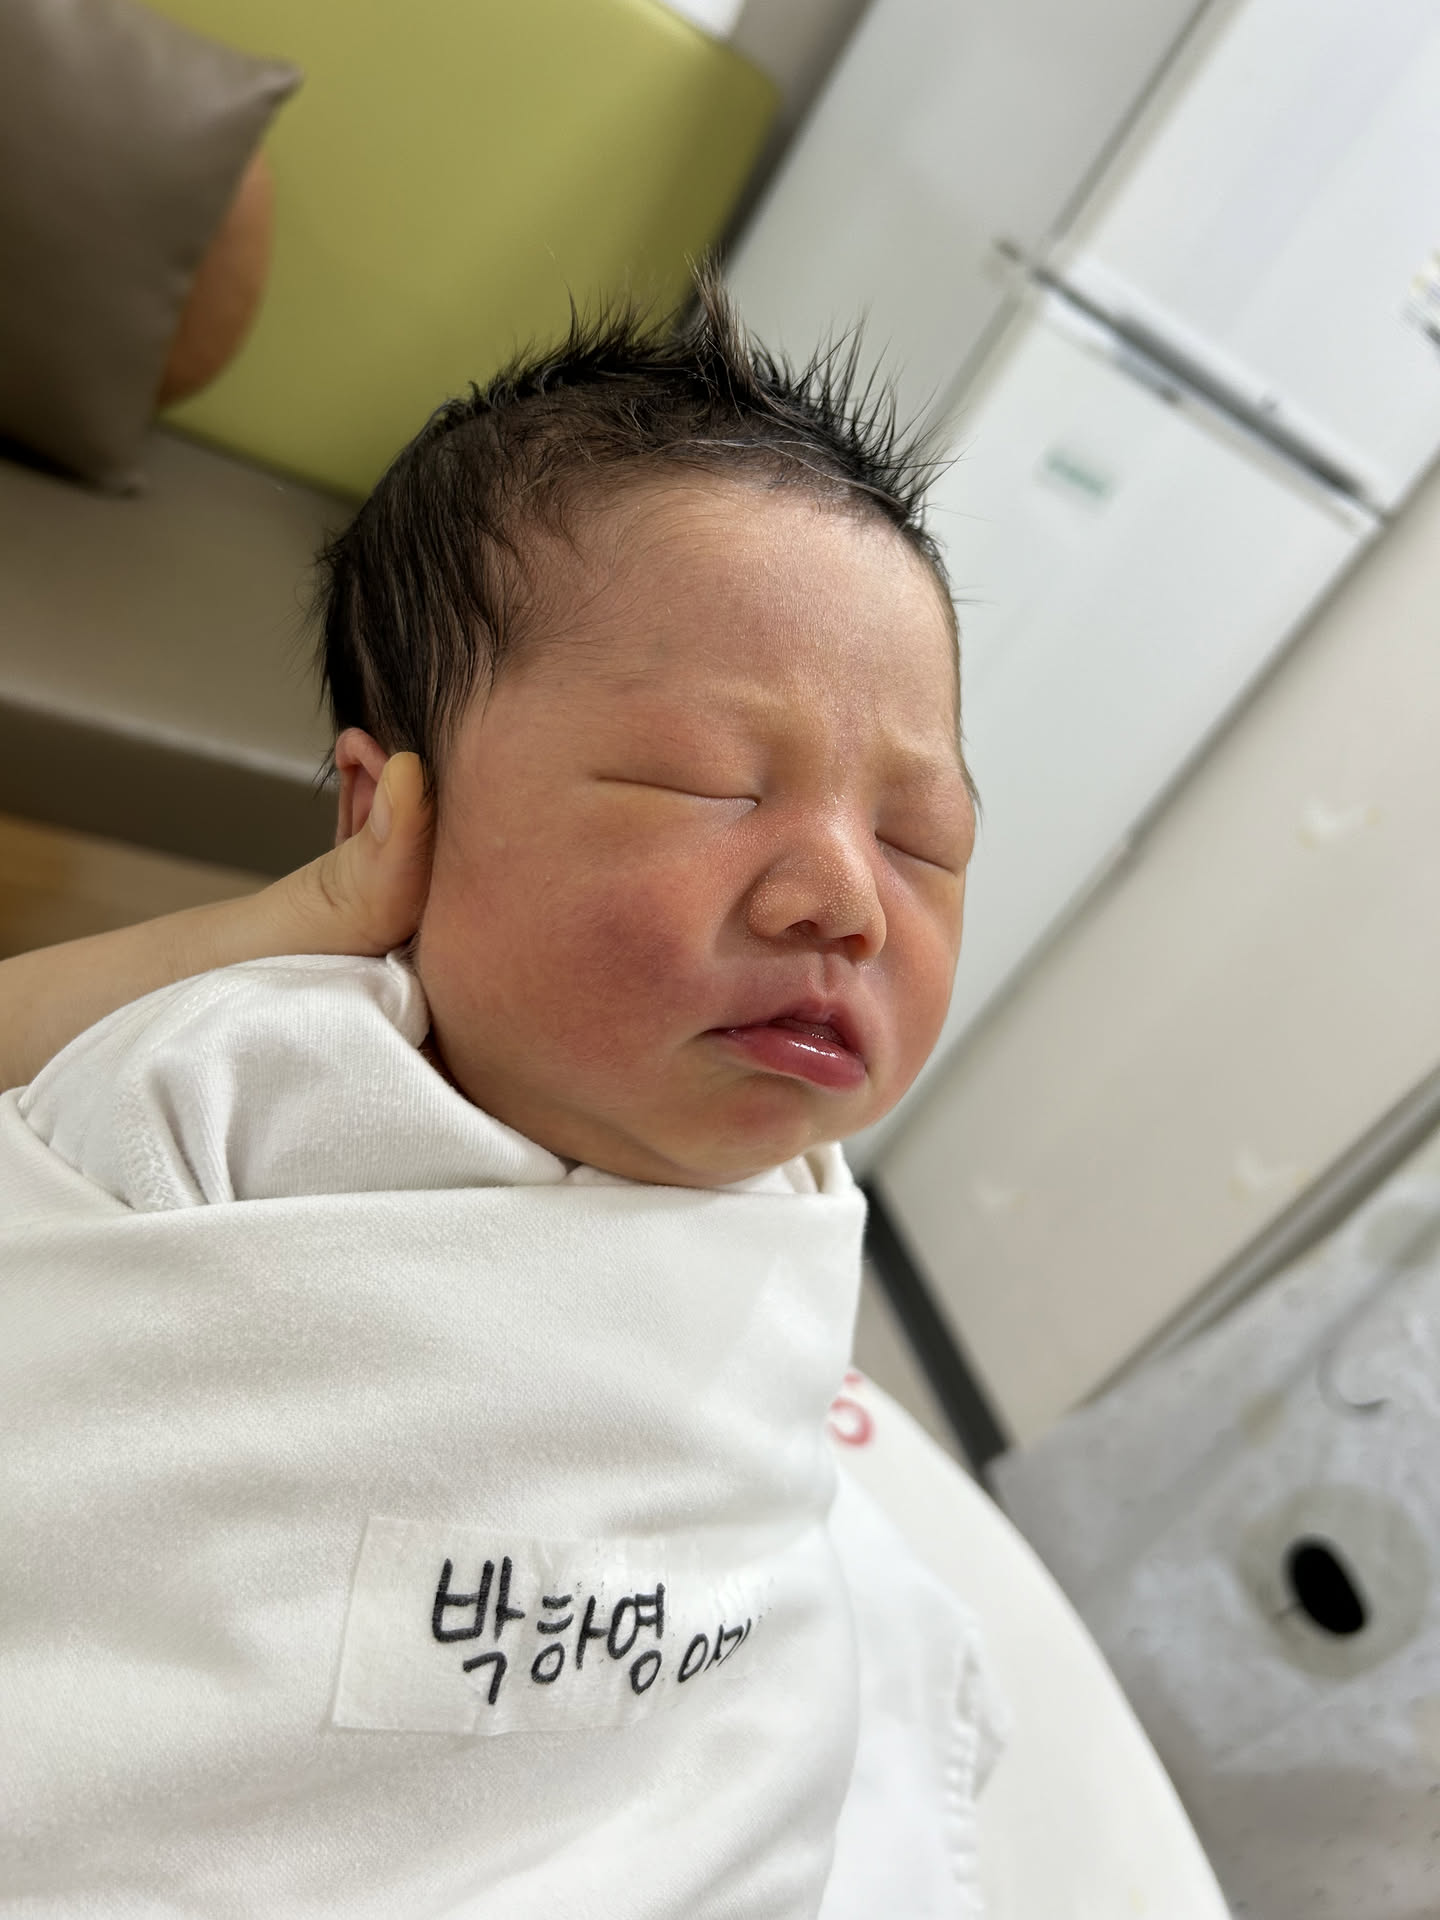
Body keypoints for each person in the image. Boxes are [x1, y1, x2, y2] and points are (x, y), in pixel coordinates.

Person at [0, 280, 999, 1917]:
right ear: (384, 814)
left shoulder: (798, 1210)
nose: (845, 901)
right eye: (707, 784)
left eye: (922, 840)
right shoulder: (251, 1077)